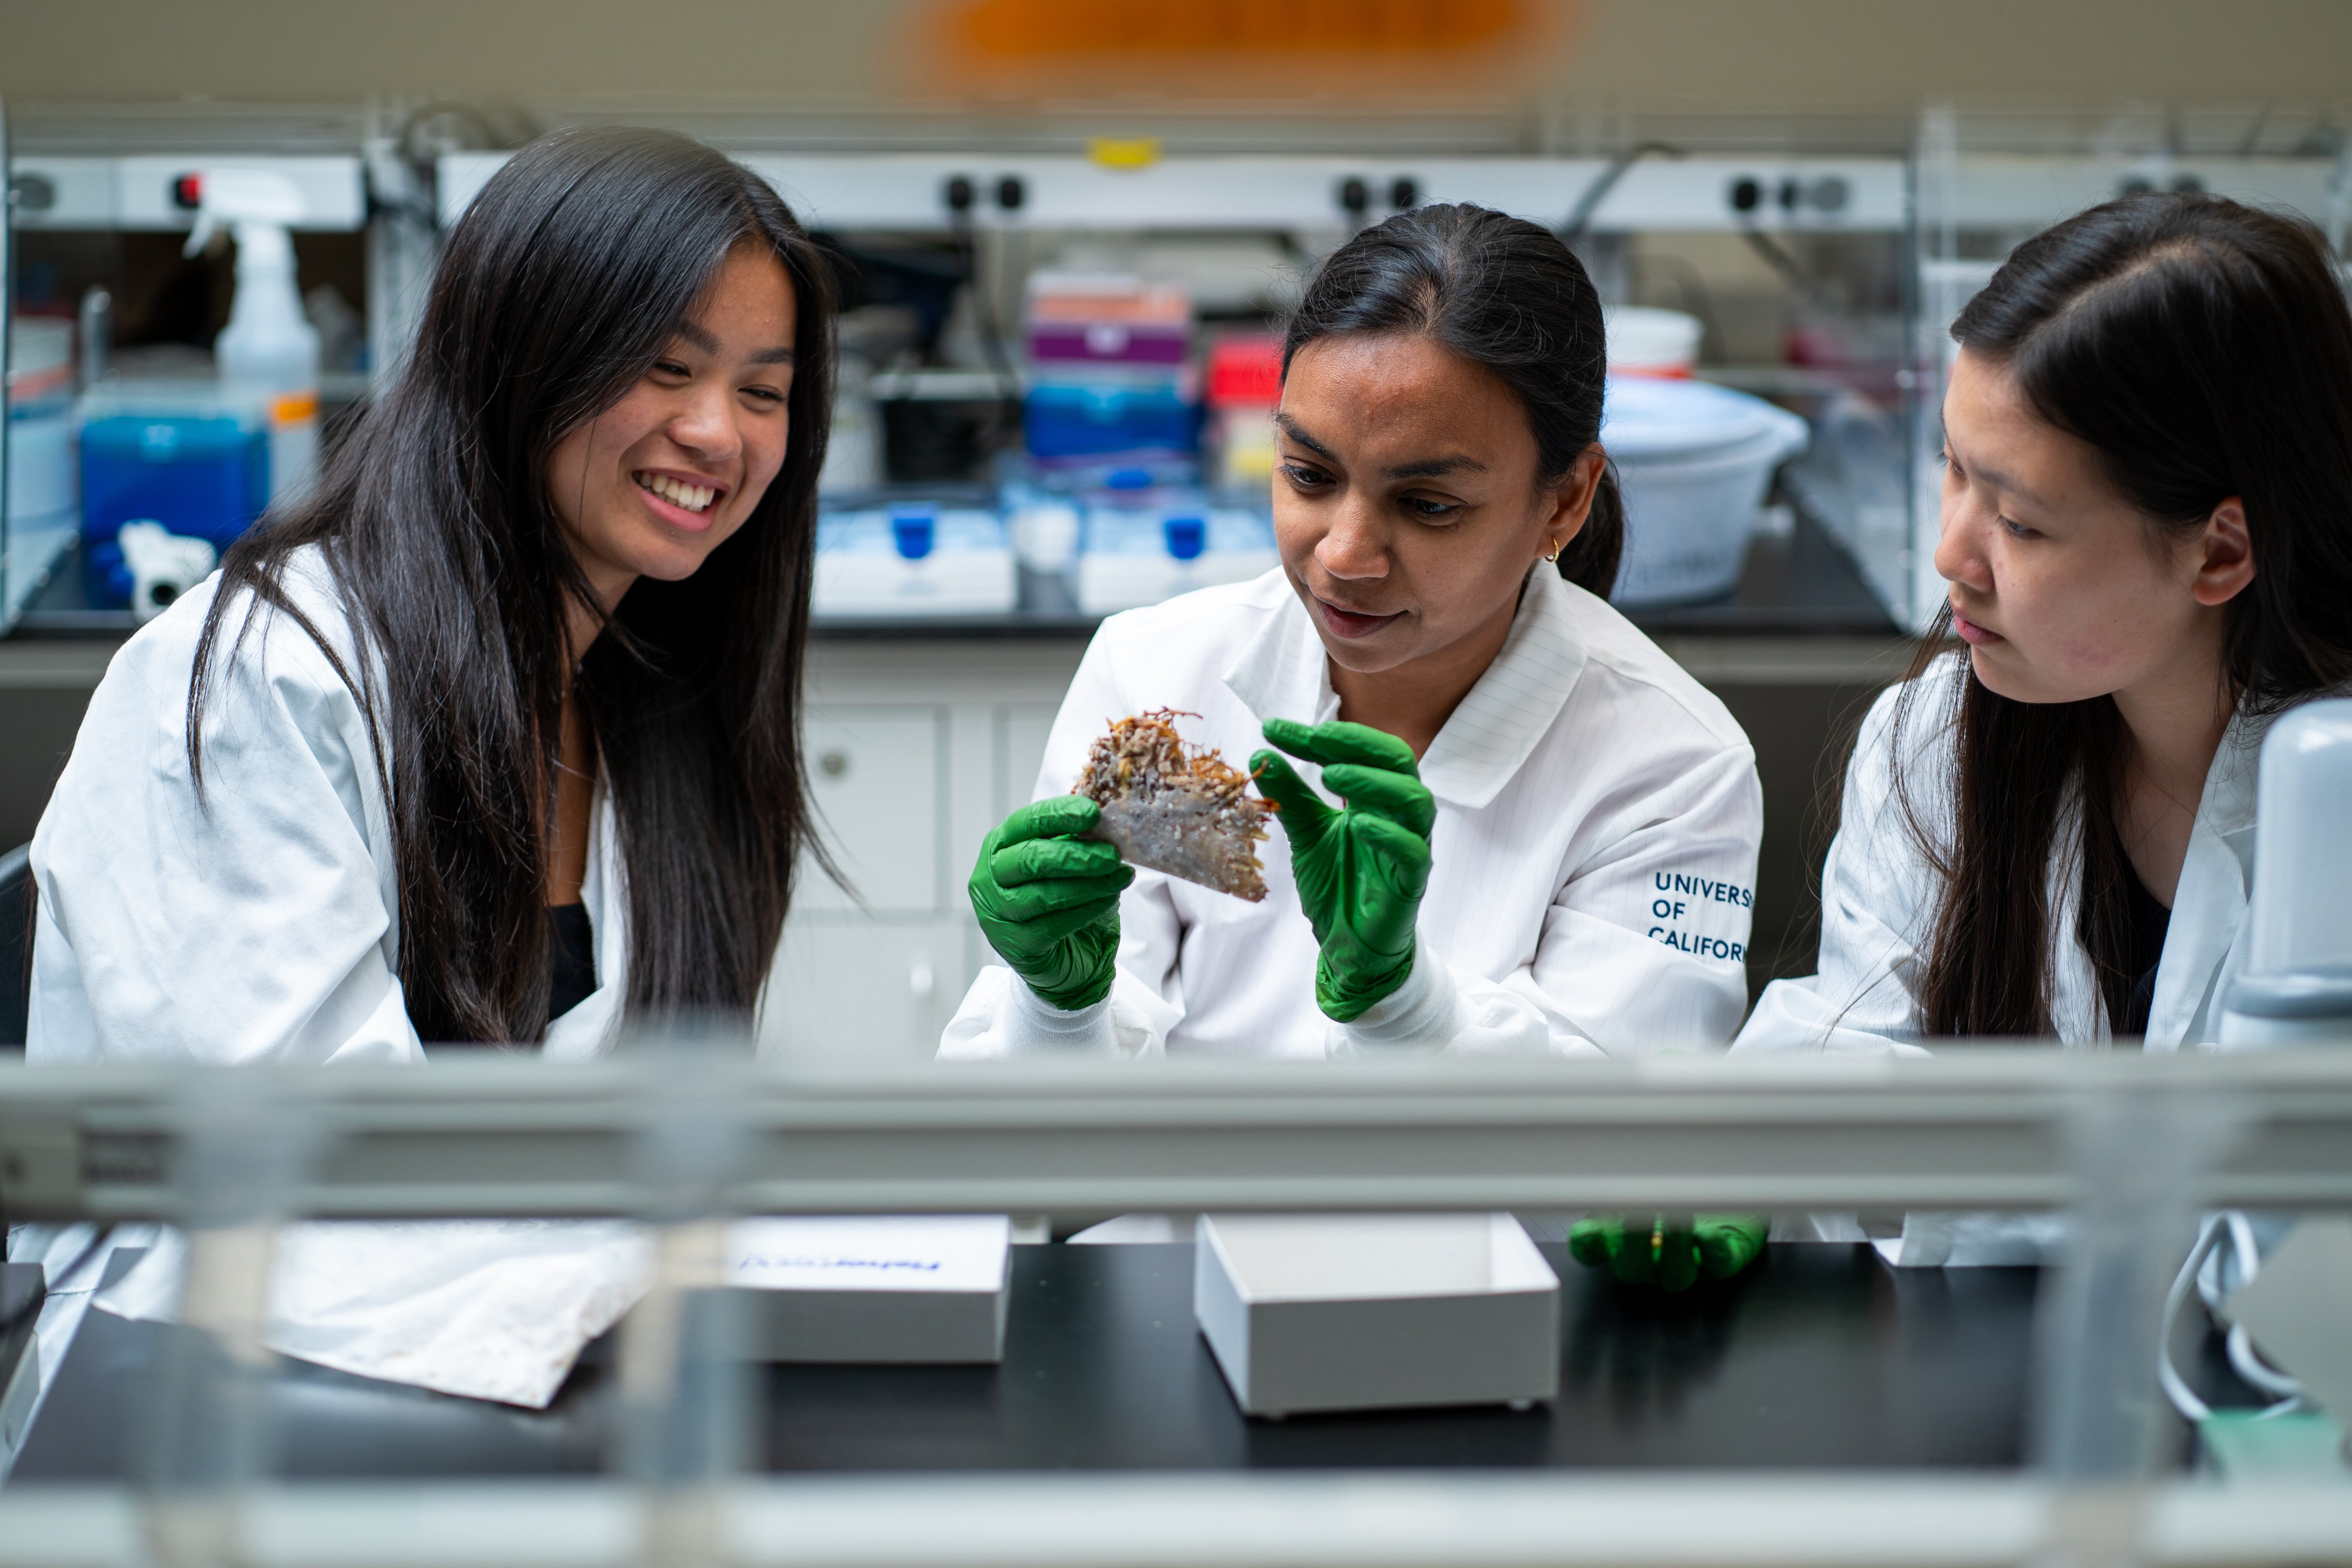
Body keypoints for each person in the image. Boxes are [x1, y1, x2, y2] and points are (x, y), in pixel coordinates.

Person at [15, 127, 837, 1404]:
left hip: (511, 1363)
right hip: (221, 1388)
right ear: (520, 360)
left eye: (763, 391)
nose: (716, 433)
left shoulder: (654, 693)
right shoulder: (261, 676)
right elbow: (307, 1171)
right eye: (664, 368)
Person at [941, 204, 1768, 1281]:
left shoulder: (1669, 765)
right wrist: (1057, 1007)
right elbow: (1023, 1162)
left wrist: (1404, 1005)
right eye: (1308, 475)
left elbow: (1624, 1168)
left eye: (1425, 505)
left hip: (1483, 1323)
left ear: (1562, 502)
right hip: (1169, 1294)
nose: (1343, 554)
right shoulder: (1166, 686)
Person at [1732, 192, 2352, 1265]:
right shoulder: (1937, 738)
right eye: (1950, 466)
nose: (1950, 555)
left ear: (2217, 554)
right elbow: (1843, 1056)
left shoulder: (2329, 793)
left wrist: (1964, 1176)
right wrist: (1723, 1171)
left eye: (2018, 521)